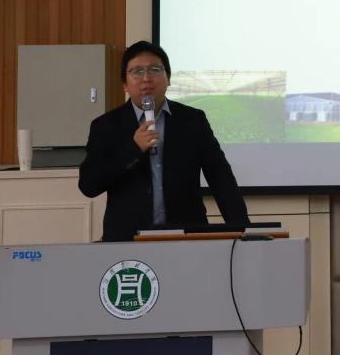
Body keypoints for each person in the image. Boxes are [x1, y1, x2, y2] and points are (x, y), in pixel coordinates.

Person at [79, 41, 248, 241]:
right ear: (125, 84)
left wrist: (243, 231)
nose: (146, 78)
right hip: (127, 240)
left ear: (168, 79)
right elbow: (89, 185)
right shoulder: (106, 126)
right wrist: (133, 149)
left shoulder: (192, 120)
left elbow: (221, 177)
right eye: (137, 71)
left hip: (186, 237)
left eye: (155, 70)